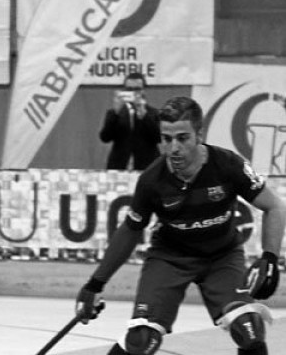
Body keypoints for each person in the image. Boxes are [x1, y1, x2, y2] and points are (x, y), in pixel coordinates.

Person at [75, 97, 286, 355]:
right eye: (166, 139)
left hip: (222, 257)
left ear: (200, 134)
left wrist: (270, 257)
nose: (173, 148)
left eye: (183, 138)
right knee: (141, 341)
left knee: (250, 330)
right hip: (170, 258)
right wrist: (95, 285)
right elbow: (130, 231)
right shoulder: (152, 180)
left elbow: (275, 206)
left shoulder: (229, 165)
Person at [99, 72, 161, 170]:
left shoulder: (153, 113)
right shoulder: (115, 112)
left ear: (143, 90)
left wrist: (144, 114)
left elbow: (159, 137)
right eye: (129, 89)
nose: (133, 93)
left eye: (137, 89)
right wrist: (116, 113)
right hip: (119, 166)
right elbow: (105, 137)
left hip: (147, 167)